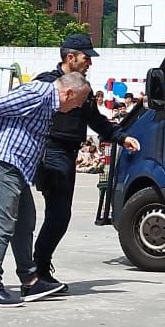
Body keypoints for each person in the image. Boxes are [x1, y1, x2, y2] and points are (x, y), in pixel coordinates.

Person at [0, 71, 92, 305]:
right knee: (1, 226)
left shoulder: (49, 104)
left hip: (17, 168)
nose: (79, 106)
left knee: (25, 222)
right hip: (2, 162)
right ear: (68, 92)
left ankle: (30, 281)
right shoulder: (37, 93)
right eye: (79, 100)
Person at [30, 33, 138, 294]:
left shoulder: (82, 88)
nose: (90, 62)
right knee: (57, 214)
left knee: (60, 215)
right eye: (86, 57)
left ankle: (38, 266)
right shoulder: (47, 84)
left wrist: (122, 138)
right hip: (50, 152)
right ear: (70, 57)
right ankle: (37, 268)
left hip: (67, 154)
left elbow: (98, 121)